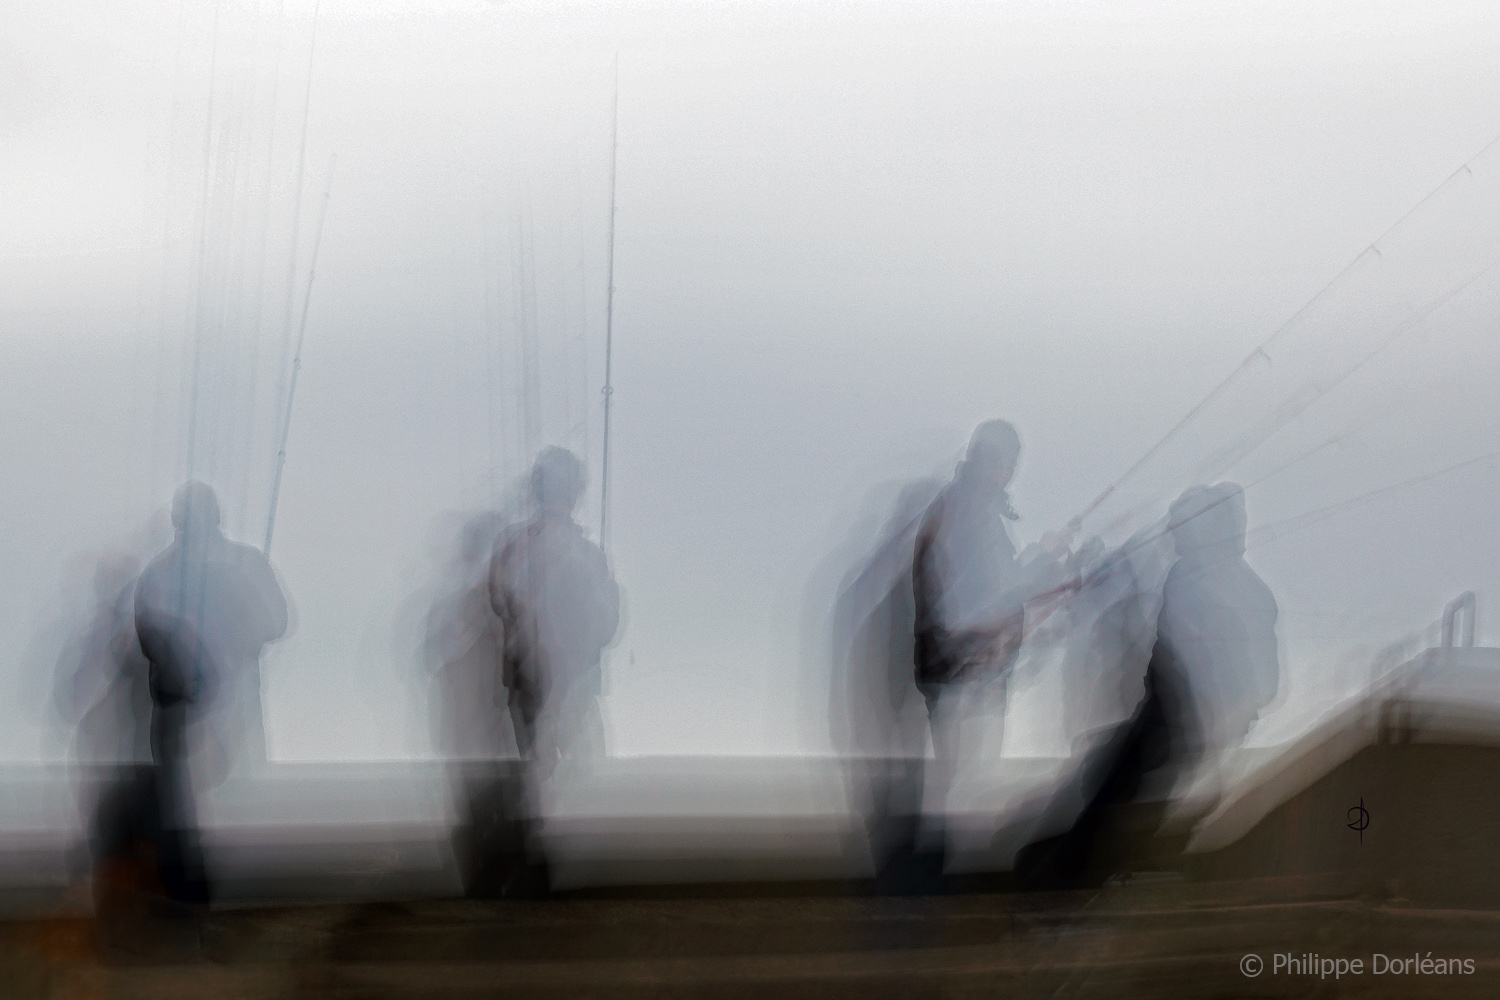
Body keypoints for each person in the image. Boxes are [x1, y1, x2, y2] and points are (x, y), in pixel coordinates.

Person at [901, 420, 1065, 887]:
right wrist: (1043, 564)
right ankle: (931, 886)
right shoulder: (969, 513)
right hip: (966, 671)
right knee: (962, 782)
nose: (1009, 472)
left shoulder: (965, 508)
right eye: (1006, 461)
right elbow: (988, 594)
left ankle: (933, 881)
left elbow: (989, 588)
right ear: (993, 461)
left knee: (957, 781)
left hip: (960, 667)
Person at [129, 481, 288, 904]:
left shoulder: (164, 573)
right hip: (190, 709)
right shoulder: (242, 565)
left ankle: (210, 887)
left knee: (212, 799)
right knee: (203, 799)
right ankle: (207, 887)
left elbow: (275, 623)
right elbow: (276, 623)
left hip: (210, 709)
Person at [490, 447, 620, 797]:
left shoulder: (510, 547)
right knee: (584, 783)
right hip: (575, 684)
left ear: (535, 490)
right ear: (575, 493)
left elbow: (500, 603)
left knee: (536, 782)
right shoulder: (589, 556)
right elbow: (607, 624)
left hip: (526, 685)